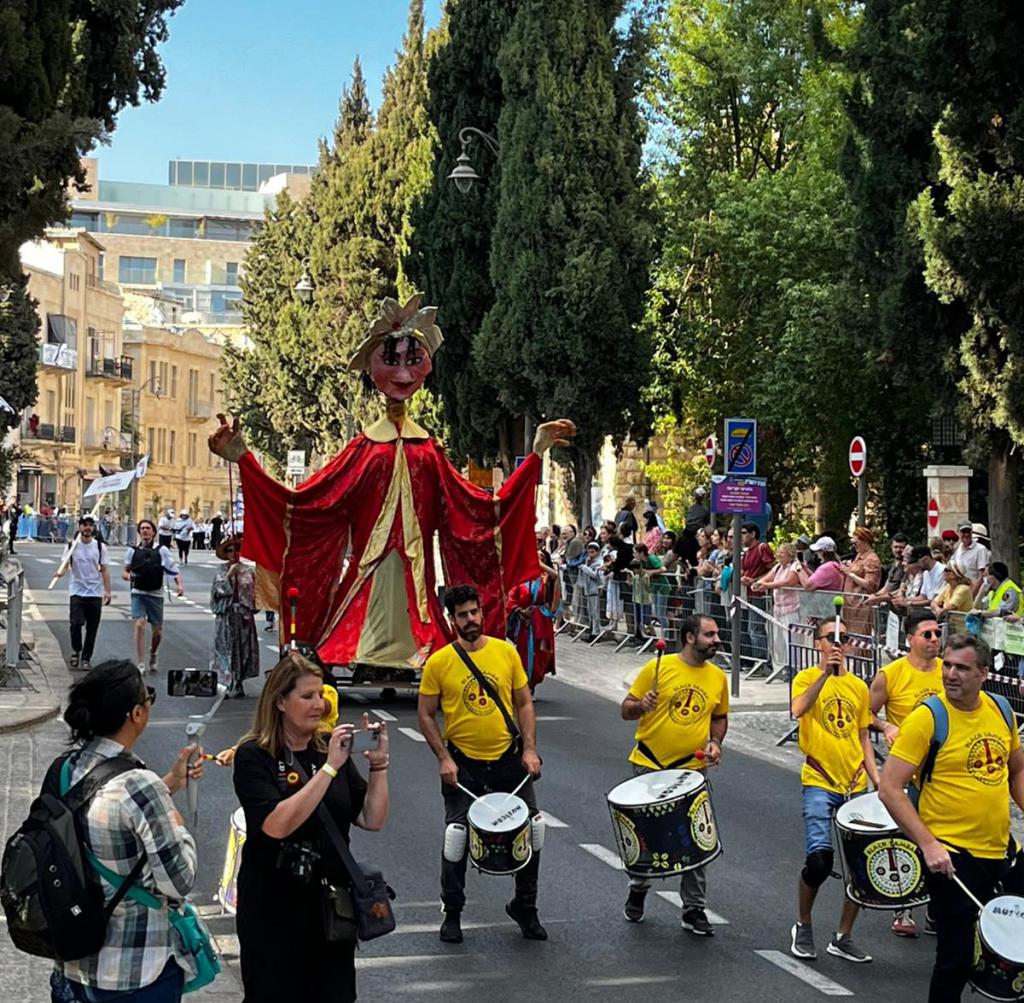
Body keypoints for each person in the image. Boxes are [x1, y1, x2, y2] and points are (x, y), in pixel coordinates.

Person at [209, 294, 575, 673]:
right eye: (392, 360)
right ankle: (365, 644)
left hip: (417, 577)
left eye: (412, 361)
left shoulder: (426, 450)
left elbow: (482, 510)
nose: (402, 373)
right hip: (369, 567)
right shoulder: (364, 449)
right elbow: (302, 505)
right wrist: (244, 459)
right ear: (373, 369)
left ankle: (404, 643)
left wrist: (535, 455)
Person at [232, 653, 390, 1003]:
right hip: (273, 907)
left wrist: (379, 769)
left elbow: (372, 819)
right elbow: (275, 825)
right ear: (280, 702)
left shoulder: (329, 749)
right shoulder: (254, 756)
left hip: (330, 907)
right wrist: (329, 769)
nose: (319, 704)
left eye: (322, 694)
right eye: (307, 696)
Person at [47, 660, 203, 1002]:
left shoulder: (65, 769)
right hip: (135, 972)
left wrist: (168, 785)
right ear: (136, 714)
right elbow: (178, 881)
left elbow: (100, 824)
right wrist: (175, 821)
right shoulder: (140, 786)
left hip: (72, 965)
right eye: (149, 697)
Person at [879, 634, 1024, 1003]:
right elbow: (890, 788)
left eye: (962, 668)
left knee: (1011, 948)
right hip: (952, 857)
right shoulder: (927, 718)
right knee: (955, 959)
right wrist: (928, 845)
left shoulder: (1001, 709)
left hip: (1000, 850)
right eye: (948, 665)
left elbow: (1016, 771)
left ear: (984, 673)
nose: (951, 674)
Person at [417, 584, 546, 945]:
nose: (470, 620)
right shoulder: (439, 663)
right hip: (463, 764)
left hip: (508, 760)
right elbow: (425, 715)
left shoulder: (505, 653)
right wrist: (443, 758)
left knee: (532, 830)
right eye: (462, 615)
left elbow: (524, 703)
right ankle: (453, 911)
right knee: (456, 837)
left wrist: (530, 750)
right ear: (452, 619)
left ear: (482, 612)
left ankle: (525, 906)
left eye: (474, 612)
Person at [620, 614, 728, 933]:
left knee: (696, 836)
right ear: (690, 638)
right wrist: (642, 706)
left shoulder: (718, 677)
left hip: (691, 769)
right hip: (649, 765)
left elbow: (719, 717)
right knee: (649, 837)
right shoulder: (658, 668)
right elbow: (625, 710)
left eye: (717, 634)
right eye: (710, 634)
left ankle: (694, 909)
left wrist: (715, 742)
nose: (716, 639)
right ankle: (639, 887)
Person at [789, 617, 879, 963]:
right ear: (817, 644)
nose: (838, 643)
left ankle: (843, 935)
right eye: (831, 638)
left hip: (854, 782)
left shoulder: (859, 687)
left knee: (860, 868)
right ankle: (803, 923)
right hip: (819, 780)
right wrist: (826, 674)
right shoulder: (806, 678)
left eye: (843, 638)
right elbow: (797, 710)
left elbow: (862, 737)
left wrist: (877, 781)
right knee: (819, 860)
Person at [869, 612, 943, 937]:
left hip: (943, 771)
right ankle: (904, 907)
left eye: (937, 633)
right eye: (926, 634)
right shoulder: (891, 675)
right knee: (909, 837)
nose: (934, 640)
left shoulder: (948, 672)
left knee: (945, 838)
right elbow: (865, 711)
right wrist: (886, 725)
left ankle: (937, 908)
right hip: (909, 770)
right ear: (910, 639)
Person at [123, 519, 184, 674]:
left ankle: (153, 652)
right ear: (139, 532)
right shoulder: (132, 551)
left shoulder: (162, 550)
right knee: (139, 624)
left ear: (154, 532)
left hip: (155, 594)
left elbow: (173, 569)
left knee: (157, 632)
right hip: (138, 592)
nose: (145, 531)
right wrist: (127, 576)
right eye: (142, 528)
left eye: (148, 528)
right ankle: (141, 662)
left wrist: (179, 585)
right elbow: (125, 570)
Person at [54, 515, 111, 671]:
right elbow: (65, 564)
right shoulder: (72, 546)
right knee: (76, 623)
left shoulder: (100, 547)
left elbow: (105, 570)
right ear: (79, 527)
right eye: (84, 525)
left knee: (92, 628)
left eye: (90, 525)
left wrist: (107, 591)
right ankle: (76, 650)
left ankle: (86, 658)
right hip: (77, 590)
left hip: (94, 592)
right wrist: (60, 573)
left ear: (93, 528)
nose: (87, 528)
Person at [211, 533, 259, 698]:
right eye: (230, 550)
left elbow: (255, 594)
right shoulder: (221, 571)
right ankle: (225, 682)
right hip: (226, 616)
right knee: (226, 650)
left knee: (242, 650)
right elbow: (217, 591)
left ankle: (238, 682)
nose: (233, 552)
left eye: (237, 549)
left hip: (244, 617)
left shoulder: (249, 571)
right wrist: (230, 575)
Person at [754, 542, 802, 679]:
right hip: (779, 608)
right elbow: (768, 577)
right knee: (779, 639)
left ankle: (795, 668)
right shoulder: (778, 567)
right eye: (778, 552)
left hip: (791, 608)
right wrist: (758, 583)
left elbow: (788, 582)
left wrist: (767, 585)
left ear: (790, 554)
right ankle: (786, 665)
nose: (779, 555)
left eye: (782, 552)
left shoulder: (795, 566)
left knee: (791, 639)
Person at [739, 521, 774, 663]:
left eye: (743, 533)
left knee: (755, 629)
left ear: (753, 534)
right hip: (749, 594)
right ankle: (757, 660)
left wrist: (756, 580)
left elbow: (773, 569)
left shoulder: (762, 548)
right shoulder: (746, 552)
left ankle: (762, 661)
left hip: (761, 594)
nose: (741, 537)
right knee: (751, 628)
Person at [951, 521, 990, 597]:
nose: (966, 534)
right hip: (959, 592)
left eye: (968, 531)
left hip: (974, 593)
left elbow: (982, 576)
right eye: (963, 532)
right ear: (958, 533)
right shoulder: (958, 549)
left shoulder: (980, 549)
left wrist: (971, 595)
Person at [578, 540, 605, 640]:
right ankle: (591, 628)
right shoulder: (588, 561)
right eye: (589, 552)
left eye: (593, 552)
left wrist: (585, 568)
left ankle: (596, 632)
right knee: (590, 611)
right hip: (588, 589)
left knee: (595, 611)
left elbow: (595, 575)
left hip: (595, 590)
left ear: (597, 552)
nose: (590, 554)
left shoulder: (599, 562)